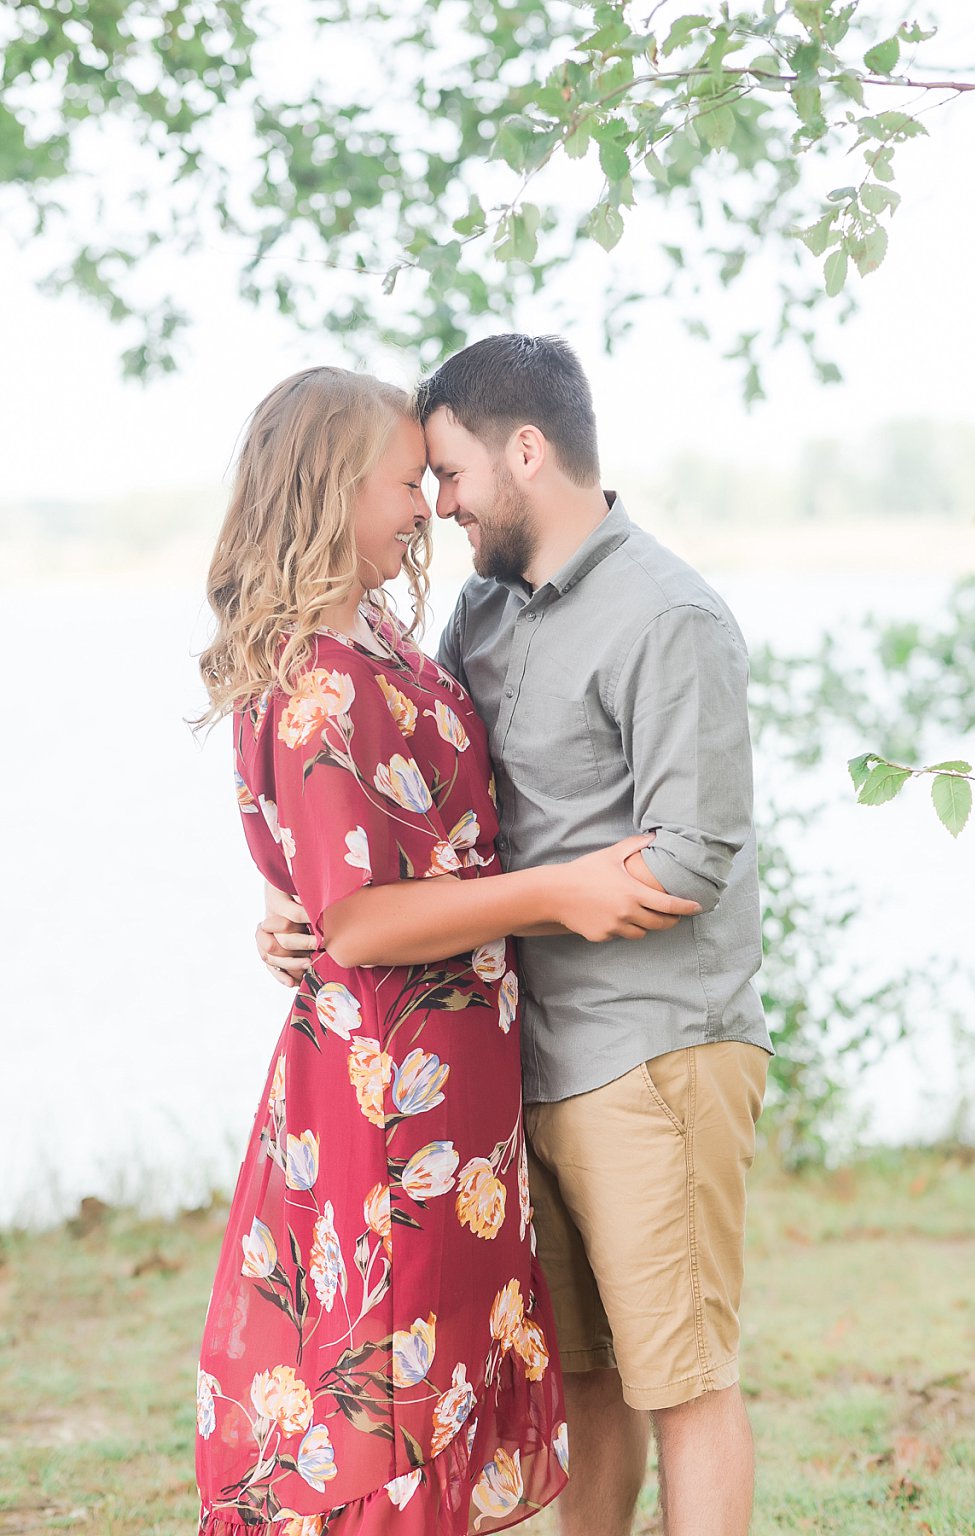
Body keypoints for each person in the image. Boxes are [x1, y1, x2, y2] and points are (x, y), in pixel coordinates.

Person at [257, 335, 773, 1536]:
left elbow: (693, 854)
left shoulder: (670, 616)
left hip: (654, 1055)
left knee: (684, 1383)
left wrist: (551, 892)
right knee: (583, 1378)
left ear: (525, 452)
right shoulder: (480, 617)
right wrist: (310, 905)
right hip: (518, 1061)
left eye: (446, 475)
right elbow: (425, 813)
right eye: (421, 484)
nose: (435, 508)